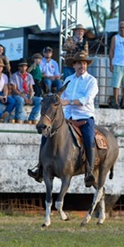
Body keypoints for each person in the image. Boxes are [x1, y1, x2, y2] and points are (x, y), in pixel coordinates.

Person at [29, 51, 99, 186]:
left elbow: (87, 99)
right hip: (67, 117)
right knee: (46, 134)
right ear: (74, 65)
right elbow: (61, 96)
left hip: (84, 116)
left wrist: (69, 102)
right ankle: (40, 168)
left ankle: (89, 172)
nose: (81, 66)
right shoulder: (68, 80)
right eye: (79, 63)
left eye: (84, 63)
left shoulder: (92, 81)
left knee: (89, 138)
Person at [10, 58, 42, 124]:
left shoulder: (29, 76)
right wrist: (24, 97)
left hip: (27, 94)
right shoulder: (14, 75)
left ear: (26, 67)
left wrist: (30, 98)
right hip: (18, 94)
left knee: (40, 100)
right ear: (19, 67)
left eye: (25, 66)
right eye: (21, 66)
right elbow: (14, 89)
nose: (23, 68)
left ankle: (32, 118)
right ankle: (19, 118)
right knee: (20, 100)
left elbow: (31, 88)